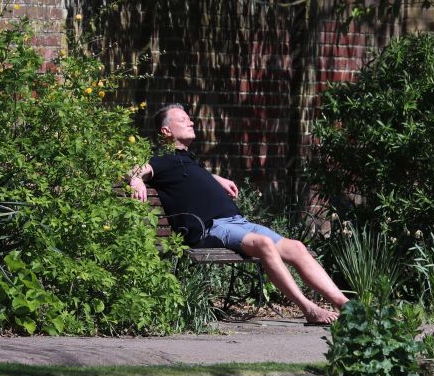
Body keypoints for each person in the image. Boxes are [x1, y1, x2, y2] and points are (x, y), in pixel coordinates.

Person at [129, 103, 349, 324]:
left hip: (237, 223)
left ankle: (344, 304)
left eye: (189, 119)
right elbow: (138, 168)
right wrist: (136, 178)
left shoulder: (187, 158)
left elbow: (191, 176)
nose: (191, 122)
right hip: (210, 228)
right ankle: (309, 308)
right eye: (183, 120)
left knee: (296, 247)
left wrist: (216, 179)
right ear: (166, 131)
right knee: (264, 243)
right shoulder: (161, 157)